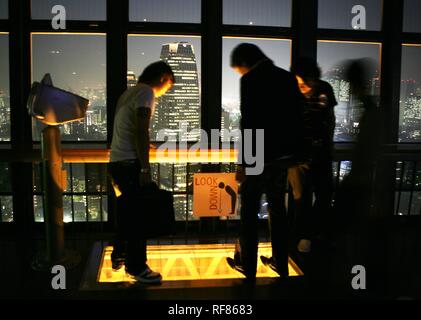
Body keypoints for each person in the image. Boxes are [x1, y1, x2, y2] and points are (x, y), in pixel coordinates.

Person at [226, 43, 304, 281]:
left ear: (244, 62)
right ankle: (280, 263)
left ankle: (248, 265)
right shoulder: (287, 78)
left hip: (258, 159)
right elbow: (297, 118)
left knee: (249, 212)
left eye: (238, 68)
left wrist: (243, 164)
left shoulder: (250, 80)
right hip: (282, 159)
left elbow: (249, 123)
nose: (239, 73)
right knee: (277, 210)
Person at [109, 61, 174, 283]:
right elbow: (140, 129)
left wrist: (145, 145)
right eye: (168, 86)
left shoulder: (129, 93)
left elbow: (128, 128)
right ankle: (136, 267)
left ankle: (119, 254)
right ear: (164, 78)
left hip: (116, 161)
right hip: (129, 164)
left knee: (127, 212)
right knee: (138, 216)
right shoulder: (146, 93)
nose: (165, 92)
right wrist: (145, 167)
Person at [288, 57, 337, 253]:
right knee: (302, 199)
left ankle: (310, 235)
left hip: (320, 154)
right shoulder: (291, 92)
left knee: (324, 195)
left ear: (314, 79)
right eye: (299, 82)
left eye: (305, 82)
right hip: (298, 156)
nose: (302, 86)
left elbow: (330, 120)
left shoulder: (325, 89)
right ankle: (304, 237)